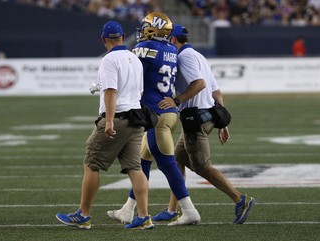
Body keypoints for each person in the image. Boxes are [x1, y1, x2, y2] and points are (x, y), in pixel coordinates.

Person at [56, 20, 153, 230]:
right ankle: (144, 216)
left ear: (103, 39)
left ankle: (83, 214)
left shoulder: (109, 60)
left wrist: (108, 121)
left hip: (117, 117)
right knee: (135, 168)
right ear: (122, 36)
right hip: (136, 118)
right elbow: (137, 90)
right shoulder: (134, 59)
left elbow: (111, 91)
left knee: (91, 163)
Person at [107, 12, 201, 226]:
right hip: (166, 112)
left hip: (154, 114)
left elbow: (132, 73)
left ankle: (189, 209)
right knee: (143, 162)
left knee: (168, 164)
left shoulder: (145, 48)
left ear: (153, 29)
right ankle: (127, 209)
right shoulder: (170, 49)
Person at [156, 24, 255, 224]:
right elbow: (215, 91)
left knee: (202, 167)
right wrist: (223, 123)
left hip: (196, 119)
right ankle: (172, 209)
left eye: (168, 40)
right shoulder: (199, 56)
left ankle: (240, 199)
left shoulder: (184, 57)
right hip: (205, 115)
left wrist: (176, 101)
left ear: (173, 40)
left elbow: (200, 84)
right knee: (177, 161)